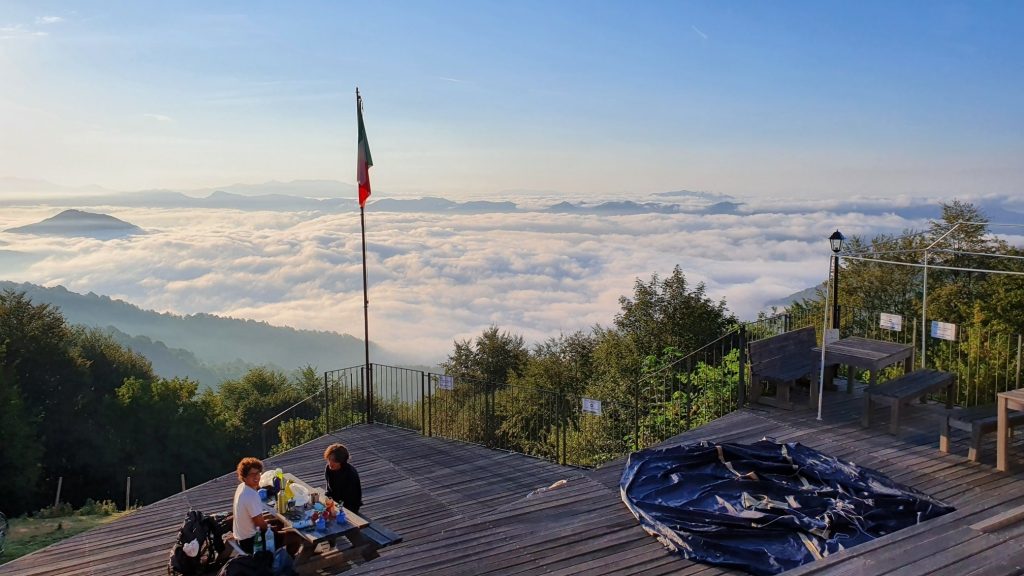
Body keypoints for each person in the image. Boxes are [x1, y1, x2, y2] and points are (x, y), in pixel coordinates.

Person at [323, 443, 362, 514]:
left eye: (334, 461)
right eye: (329, 459)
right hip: (334, 503)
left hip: (349, 506)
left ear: (342, 461)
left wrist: (337, 509)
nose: (330, 463)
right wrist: (326, 502)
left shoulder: (350, 474)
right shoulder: (328, 469)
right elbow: (328, 490)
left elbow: (351, 500)